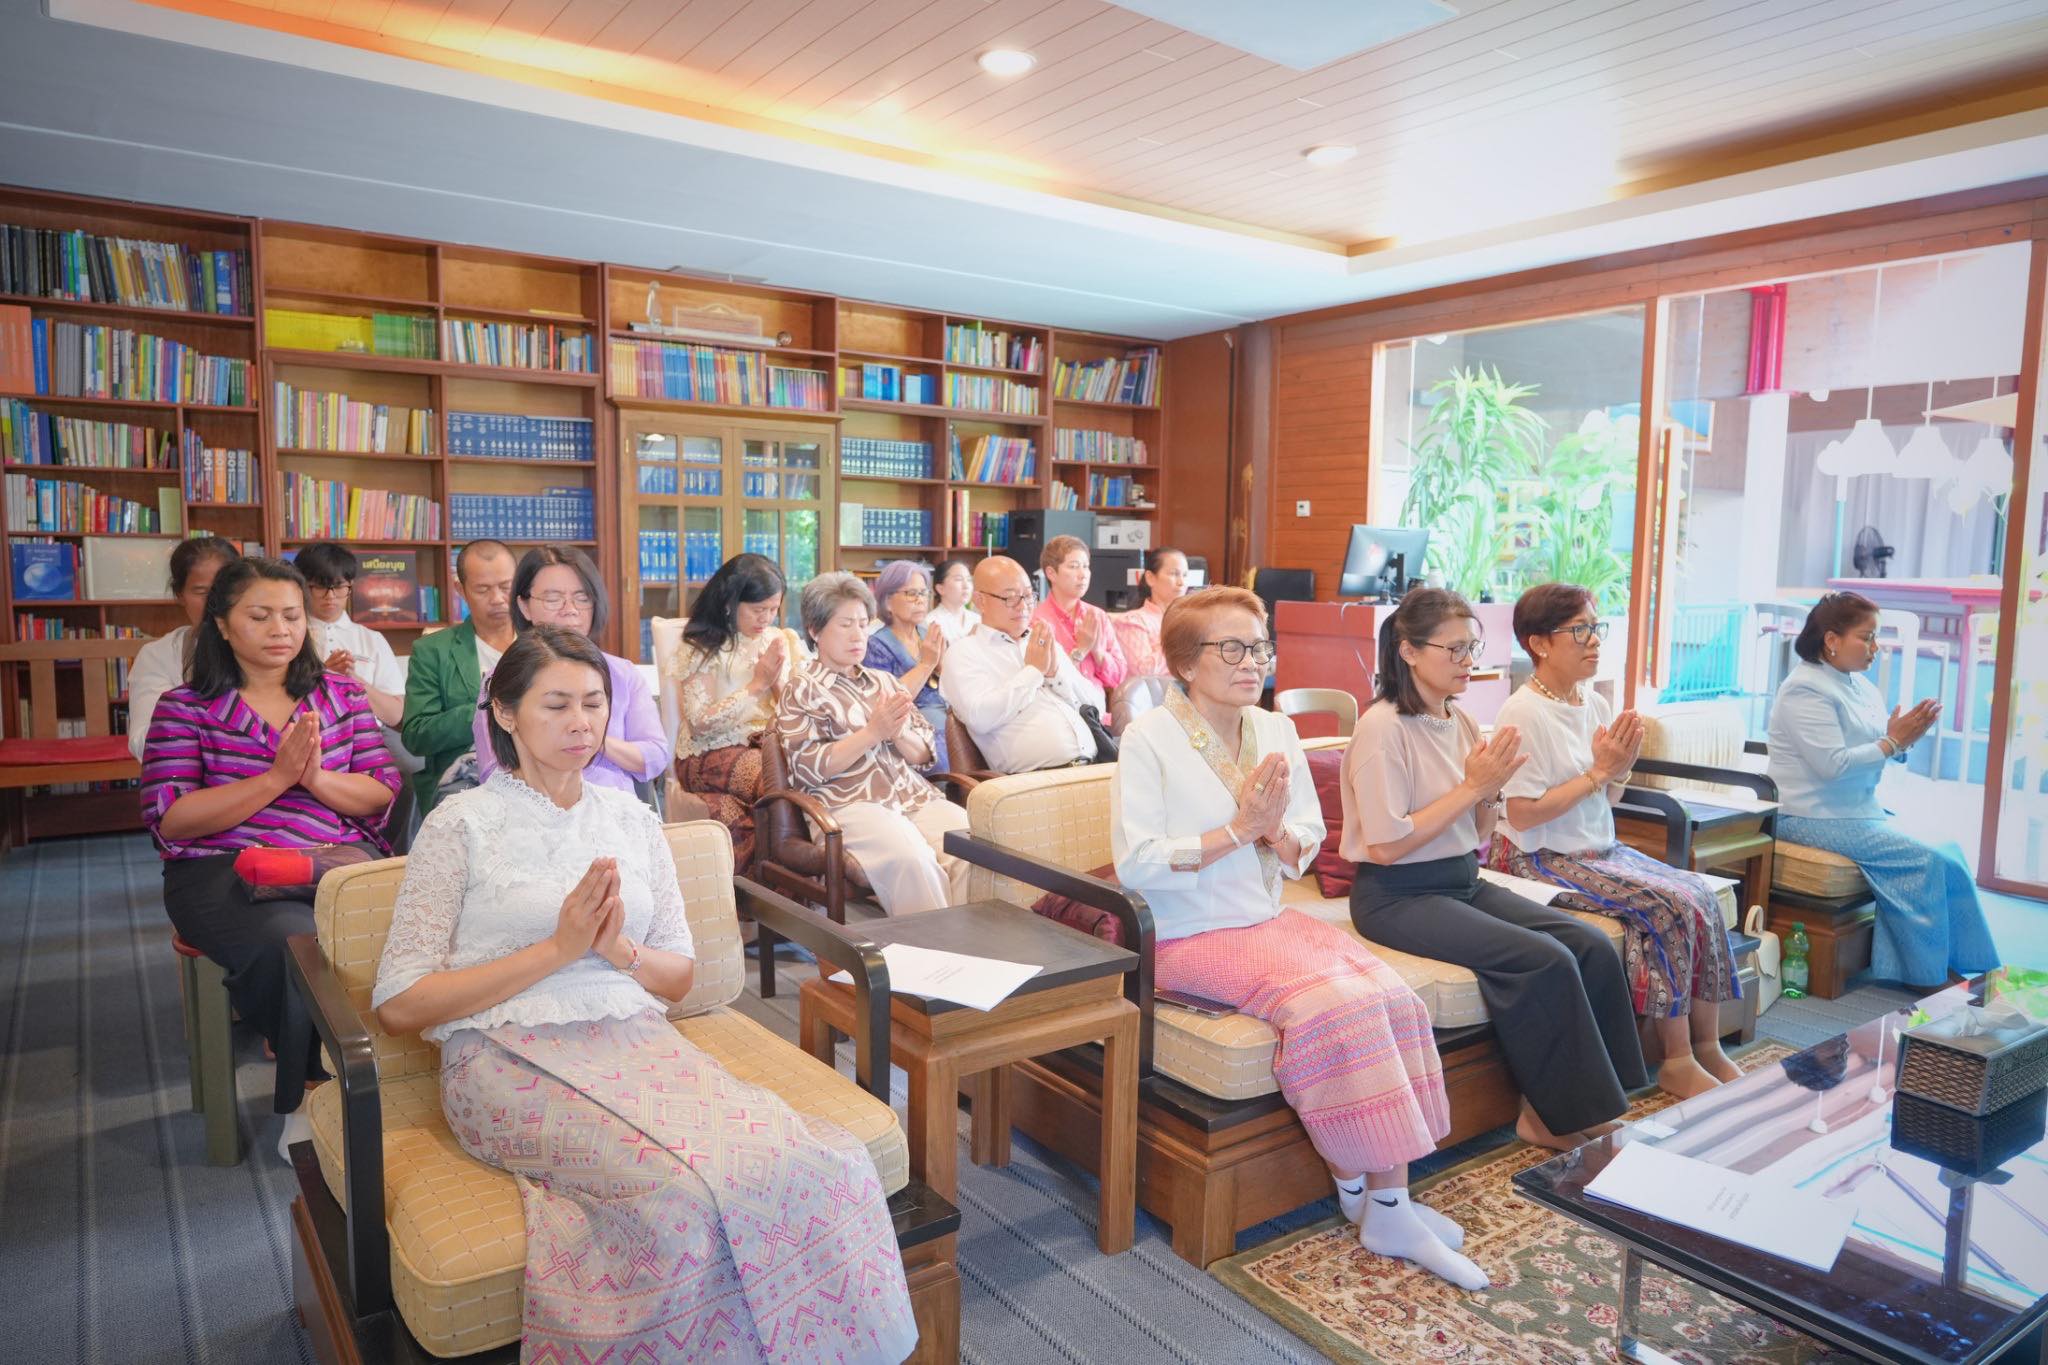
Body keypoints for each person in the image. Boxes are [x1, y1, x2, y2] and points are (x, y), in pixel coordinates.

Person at [371, 627, 916, 1362]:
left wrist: (614, 950)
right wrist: (556, 951)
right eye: (556, 704)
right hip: (502, 1057)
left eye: (594, 704)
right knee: (679, 1199)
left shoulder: (630, 818)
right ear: (504, 712)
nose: (580, 723)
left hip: (631, 1039)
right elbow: (400, 1003)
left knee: (819, 1160)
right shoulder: (459, 823)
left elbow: (678, 975)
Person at [1113, 587, 1486, 1289]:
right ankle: (1385, 1205)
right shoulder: (1149, 737)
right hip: (1190, 931)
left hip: (1267, 918)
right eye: (1233, 647)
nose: (1252, 660)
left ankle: (1377, 1197)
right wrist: (1238, 830)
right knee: (1335, 1007)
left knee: (1394, 995)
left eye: (1259, 646)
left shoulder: (1276, 730)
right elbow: (1137, 861)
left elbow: (1307, 843)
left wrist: (1277, 832)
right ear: (1185, 662)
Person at [1342, 587, 1646, 1151]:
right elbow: (1386, 846)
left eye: (1472, 649)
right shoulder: (1382, 727)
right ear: (1408, 651)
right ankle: (1548, 1120)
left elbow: (1479, 833)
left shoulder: (1456, 719)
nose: (1468, 663)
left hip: (1460, 879)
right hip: (1396, 895)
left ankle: (1597, 1104)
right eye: (1454, 650)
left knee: (1591, 946)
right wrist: (1474, 788)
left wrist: (1489, 795)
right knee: (1543, 961)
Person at [141, 556, 400, 1156]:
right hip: (221, 864)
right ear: (224, 626)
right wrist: (276, 778)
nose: (281, 628)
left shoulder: (337, 694)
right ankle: (311, 1095)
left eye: (292, 615)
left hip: (334, 856)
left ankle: (402, 1083)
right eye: (260, 616)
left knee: (403, 925)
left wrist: (316, 780)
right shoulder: (186, 706)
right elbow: (172, 816)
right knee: (293, 943)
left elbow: (380, 789)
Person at [1487, 583, 1741, 1099]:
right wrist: (1599, 772)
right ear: (1539, 643)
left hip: (1598, 847)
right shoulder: (1522, 713)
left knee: (1698, 895)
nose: (1594, 640)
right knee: (1666, 906)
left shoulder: (1594, 703)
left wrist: (1617, 769)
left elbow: (1608, 794)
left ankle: (1708, 1043)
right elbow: (1521, 812)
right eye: (1579, 630)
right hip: (1538, 856)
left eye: (1595, 627)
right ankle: (1676, 1059)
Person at [1767, 591, 2000, 988]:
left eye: (1877, 637)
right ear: (1832, 640)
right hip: (1808, 814)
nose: (1876, 648)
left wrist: (1901, 741)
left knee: (1948, 850)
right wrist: (1892, 742)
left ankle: (1964, 964)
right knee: (1925, 860)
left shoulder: (1858, 685)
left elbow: (1878, 748)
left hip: (1854, 810)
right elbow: (1832, 765)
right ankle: (1929, 975)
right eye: (1867, 637)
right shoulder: (1804, 689)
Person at [775, 573, 970, 916]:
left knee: (975, 848)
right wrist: (873, 732)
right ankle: (935, 962)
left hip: (913, 797)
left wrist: (898, 734)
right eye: (845, 624)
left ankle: (983, 954)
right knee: (913, 861)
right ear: (815, 630)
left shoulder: (883, 680)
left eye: (864, 624)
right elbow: (808, 767)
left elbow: (926, 752)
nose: (857, 635)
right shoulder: (802, 688)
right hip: (849, 805)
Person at [470, 547, 668, 794]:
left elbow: (656, 756)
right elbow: (492, 770)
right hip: (532, 814)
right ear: (524, 606)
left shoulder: (622, 674)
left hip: (613, 814)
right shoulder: (501, 679)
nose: (570, 609)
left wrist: (593, 741)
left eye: (582, 597)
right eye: (553, 599)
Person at [664, 553, 804, 869]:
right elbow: (700, 724)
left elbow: (795, 711)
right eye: (758, 610)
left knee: (797, 781)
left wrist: (778, 684)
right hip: (708, 753)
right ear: (729, 602)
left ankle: (786, 893)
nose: (766, 619)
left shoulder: (778, 639)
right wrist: (757, 684)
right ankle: (792, 882)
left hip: (765, 744)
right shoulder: (701, 645)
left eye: (773, 609)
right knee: (777, 785)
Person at [939, 555, 1098, 772]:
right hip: (1032, 780)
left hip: (1093, 765)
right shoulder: (964, 653)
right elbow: (980, 718)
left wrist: (1054, 676)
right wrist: (1033, 673)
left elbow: (1096, 705)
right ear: (980, 601)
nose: (1023, 606)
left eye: (1028, 596)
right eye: (1010, 597)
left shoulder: (1040, 641)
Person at [401, 540, 518, 814]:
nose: (498, 598)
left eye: (506, 586)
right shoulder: (433, 651)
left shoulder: (542, 645)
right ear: (460, 590)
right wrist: (487, 710)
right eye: (483, 589)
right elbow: (416, 735)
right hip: (464, 782)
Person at [126, 535, 239, 761]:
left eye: (225, 589)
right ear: (180, 595)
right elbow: (145, 741)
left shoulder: (272, 646)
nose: (215, 602)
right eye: (201, 592)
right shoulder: (159, 656)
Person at [294, 541, 407, 729]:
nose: (330, 596)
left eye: (338, 586)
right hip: (310, 734)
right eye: (320, 586)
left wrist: (353, 680)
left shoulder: (372, 639)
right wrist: (325, 674)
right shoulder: (290, 636)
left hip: (367, 735)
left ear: (350, 586)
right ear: (303, 586)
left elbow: (395, 715)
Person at [863, 559, 950, 770]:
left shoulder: (927, 633)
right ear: (887, 601)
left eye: (923, 593)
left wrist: (943, 667)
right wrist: (926, 665)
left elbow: (954, 687)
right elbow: (887, 704)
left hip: (950, 719)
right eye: (912, 594)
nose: (920, 600)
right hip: (911, 733)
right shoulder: (875, 645)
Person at [1031, 534, 1128, 708]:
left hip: (1097, 712)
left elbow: (1119, 677)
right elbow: (1042, 682)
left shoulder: (1097, 615)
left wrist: (1098, 653)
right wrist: (1081, 650)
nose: (1083, 575)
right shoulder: (1037, 621)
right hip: (1058, 710)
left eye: (1086, 566)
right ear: (1051, 573)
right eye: (1074, 567)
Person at [1110, 546, 1190, 679]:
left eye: (1185, 575)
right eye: (1174, 574)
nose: (1181, 582)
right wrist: (1178, 641)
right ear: (1150, 578)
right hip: (1154, 697)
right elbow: (1143, 673)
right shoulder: (1132, 621)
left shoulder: (1191, 621)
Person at [927, 557, 981, 643]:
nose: (966, 586)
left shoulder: (978, 620)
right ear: (940, 589)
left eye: (969, 580)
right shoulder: (931, 622)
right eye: (958, 579)